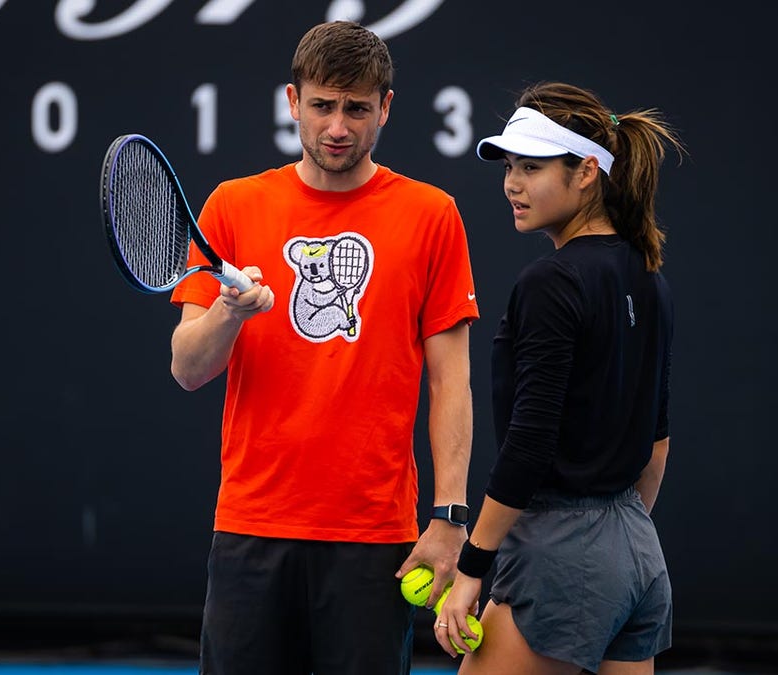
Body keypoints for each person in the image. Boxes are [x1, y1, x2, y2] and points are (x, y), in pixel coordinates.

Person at [168, 20, 480, 675]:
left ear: (385, 109)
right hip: (252, 526)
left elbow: (451, 380)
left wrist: (450, 516)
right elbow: (188, 368)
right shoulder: (232, 205)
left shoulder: (432, 215)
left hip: (374, 538)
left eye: (357, 108)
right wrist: (229, 311)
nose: (338, 126)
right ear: (292, 102)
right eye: (322, 106)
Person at [434, 82, 684, 674]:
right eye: (510, 167)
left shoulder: (550, 282)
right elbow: (658, 440)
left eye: (533, 167)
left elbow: (529, 442)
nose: (512, 184)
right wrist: (614, 546)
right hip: (638, 554)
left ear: (588, 172)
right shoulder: (650, 278)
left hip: (564, 555)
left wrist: (472, 568)